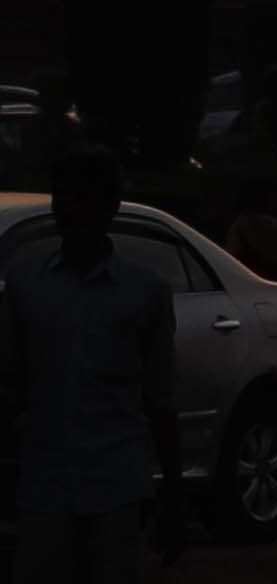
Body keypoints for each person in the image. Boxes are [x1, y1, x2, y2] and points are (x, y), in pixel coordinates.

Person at [5, 151, 187, 584]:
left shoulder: (145, 294)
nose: (70, 210)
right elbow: (11, 388)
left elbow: (161, 401)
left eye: (82, 199)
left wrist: (173, 497)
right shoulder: (25, 285)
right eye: (64, 197)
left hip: (115, 490)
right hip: (47, 488)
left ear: (111, 208)